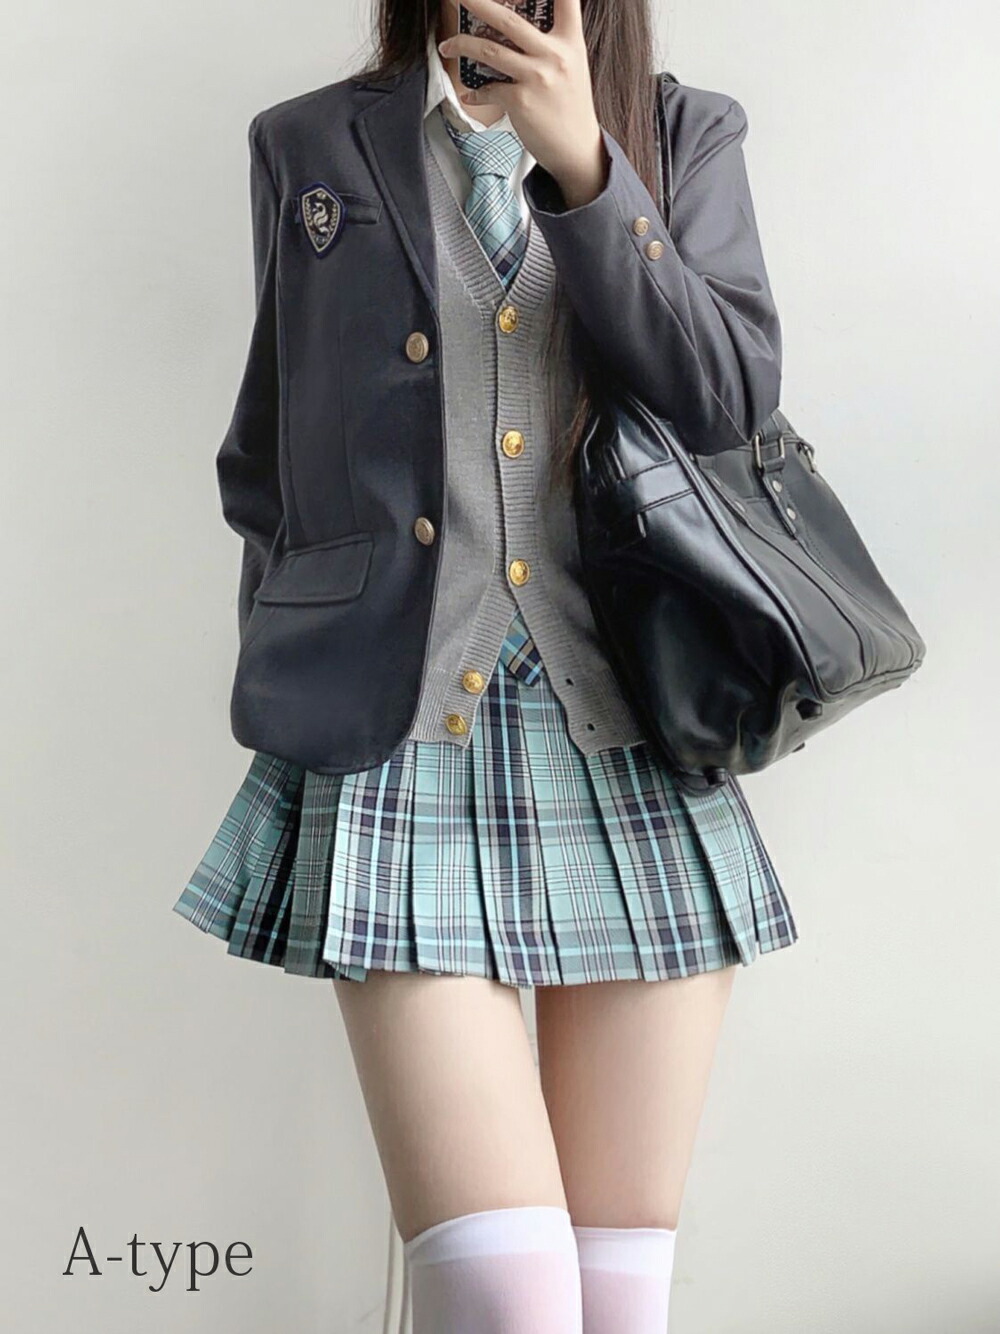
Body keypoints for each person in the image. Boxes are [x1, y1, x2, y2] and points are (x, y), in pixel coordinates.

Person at [173, 0, 798, 1328]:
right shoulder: (309, 145)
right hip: (396, 740)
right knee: (504, 1298)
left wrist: (588, 170)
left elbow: (728, 402)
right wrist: (293, 661)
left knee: (618, 1304)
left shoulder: (683, 135)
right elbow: (270, 452)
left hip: (636, 747)